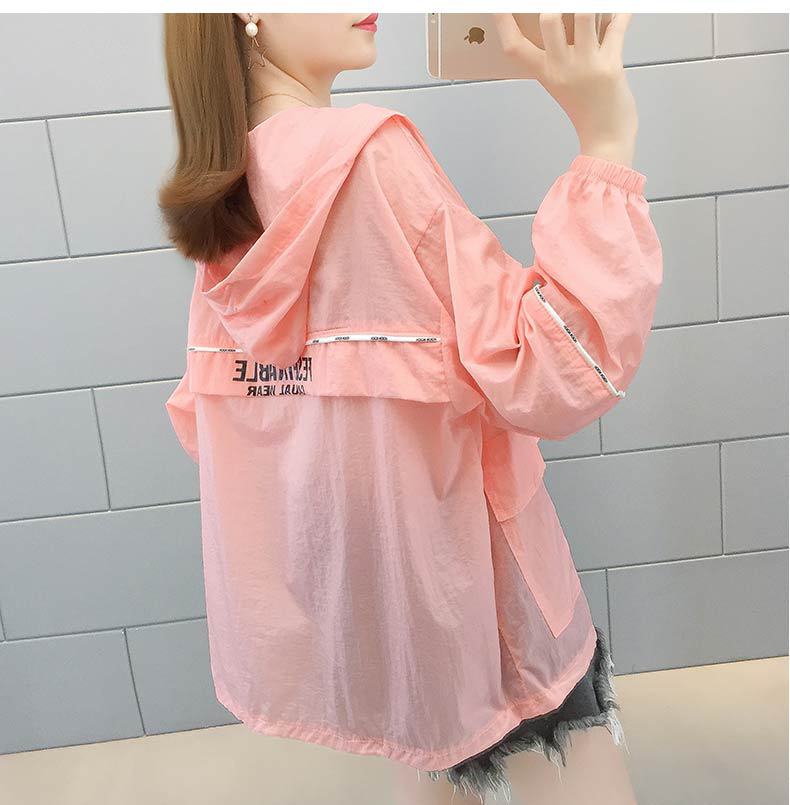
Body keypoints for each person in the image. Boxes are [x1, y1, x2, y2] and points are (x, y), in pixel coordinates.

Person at [160, 12, 662, 804]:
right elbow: (553, 365)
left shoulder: (230, 181)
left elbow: (221, 422)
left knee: (428, 753)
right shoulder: (368, 155)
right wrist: (605, 136)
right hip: (470, 585)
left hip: (377, 601)